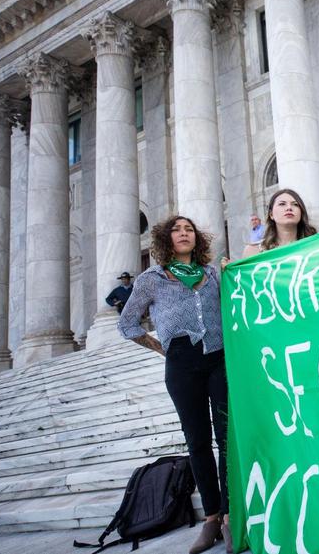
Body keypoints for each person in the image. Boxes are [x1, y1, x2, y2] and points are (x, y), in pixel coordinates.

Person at [118, 216, 231, 553]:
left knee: (226, 438)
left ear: (197, 238)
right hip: (181, 363)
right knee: (197, 441)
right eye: (177, 230)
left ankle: (229, 515)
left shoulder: (212, 273)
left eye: (189, 229)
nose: (184, 233)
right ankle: (211, 518)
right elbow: (127, 324)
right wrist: (163, 348)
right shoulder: (151, 279)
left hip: (219, 357)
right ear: (166, 239)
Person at [240, 188, 317, 258]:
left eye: (295, 204)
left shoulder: (316, 245)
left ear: (301, 212)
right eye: (282, 204)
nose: (289, 208)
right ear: (271, 214)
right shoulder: (253, 251)